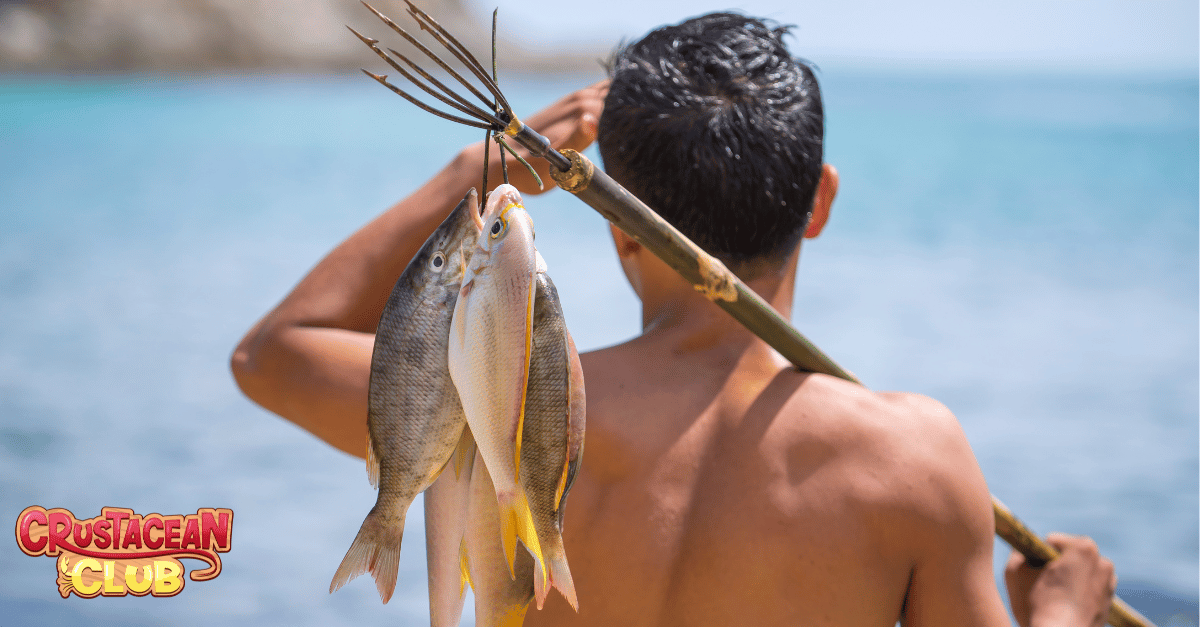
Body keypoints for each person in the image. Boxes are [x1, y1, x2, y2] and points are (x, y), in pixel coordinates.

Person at [232, 12, 1117, 627]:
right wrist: (1064, 613)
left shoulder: (508, 402)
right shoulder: (917, 463)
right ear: (820, 203)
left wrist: (477, 171)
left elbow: (269, 357)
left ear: (618, 229)